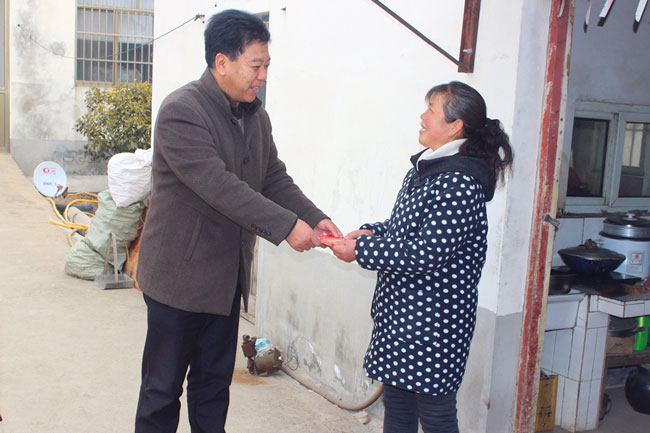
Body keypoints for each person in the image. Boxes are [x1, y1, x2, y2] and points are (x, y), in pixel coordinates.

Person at [134, 10, 341, 433]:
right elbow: (219, 185)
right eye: (255, 65)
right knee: (162, 391)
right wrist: (287, 227)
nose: (262, 76)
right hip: (178, 280)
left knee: (213, 388)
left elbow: (272, 177)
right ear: (222, 62)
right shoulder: (182, 111)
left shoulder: (255, 116)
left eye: (267, 66)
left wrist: (313, 218)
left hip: (226, 280)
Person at [331, 81, 513, 433]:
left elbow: (426, 252)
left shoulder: (459, 182)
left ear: (455, 126)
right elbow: (406, 229)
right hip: (402, 319)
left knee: (436, 416)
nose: (422, 117)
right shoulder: (428, 168)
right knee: (398, 408)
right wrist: (371, 232)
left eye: (431, 110)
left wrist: (361, 252)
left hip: (433, 327)